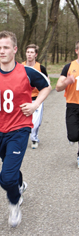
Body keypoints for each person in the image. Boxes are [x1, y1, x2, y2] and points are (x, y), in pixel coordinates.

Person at [0, 31, 51, 227]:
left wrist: (34, 106)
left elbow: (46, 87)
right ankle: (20, 185)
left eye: (6, 47)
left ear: (15, 49)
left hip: (19, 129)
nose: (2, 51)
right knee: (10, 167)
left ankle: (15, 201)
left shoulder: (26, 72)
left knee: (6, 178)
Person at [56, 40, 79, 169]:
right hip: (72, 105)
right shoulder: (68, 67)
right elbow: (58, 87)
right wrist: (67, 81)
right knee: (73, 135)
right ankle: (73, 136)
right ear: (76, 51)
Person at [22, 44, 49, 149]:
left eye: (32, 52)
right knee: (22, 121)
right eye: (28, 52)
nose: (29, 54)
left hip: (36, 98)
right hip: (24, 98)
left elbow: (47, 83)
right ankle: (21, 140)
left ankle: (34, 139)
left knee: (35, 123)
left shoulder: (40, 68)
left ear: (36, 54)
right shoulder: (21, 66)